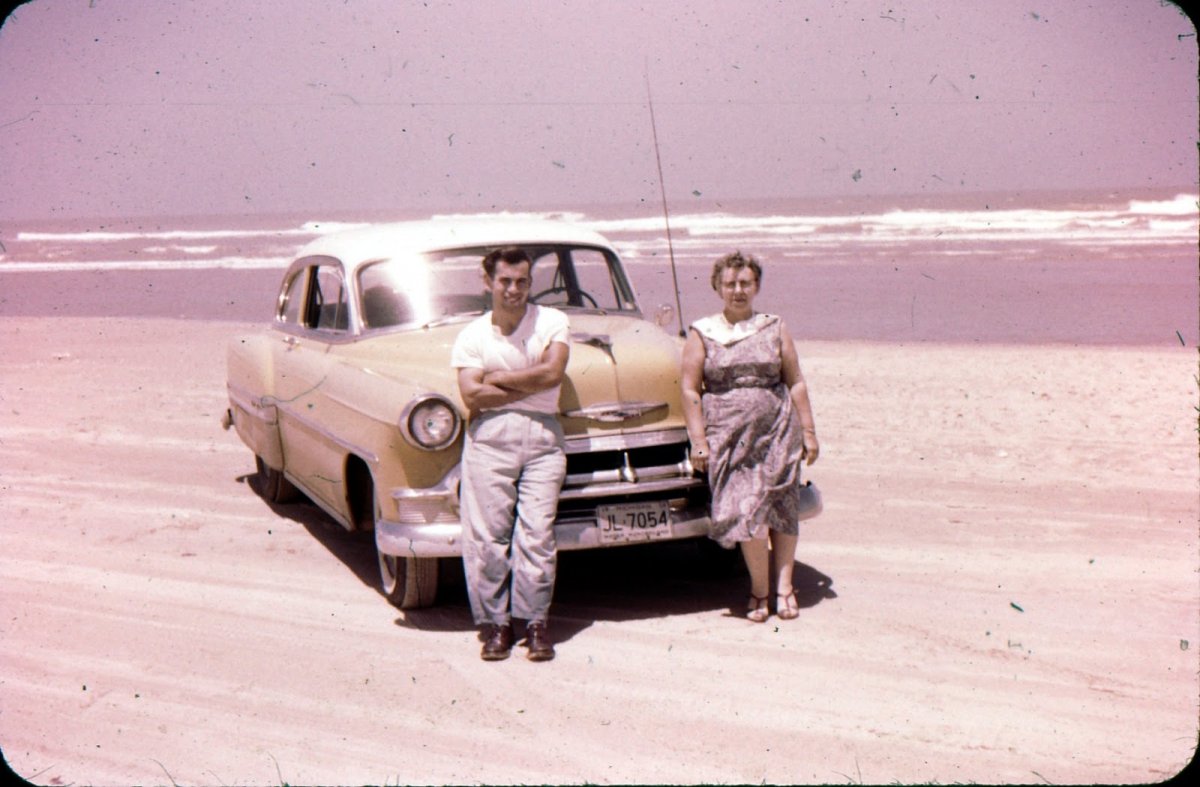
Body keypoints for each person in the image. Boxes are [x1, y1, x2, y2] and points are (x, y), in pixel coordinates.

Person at [680, 251, 820, 622]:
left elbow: (796, 381)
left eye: (745, 283)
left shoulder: (774, 327)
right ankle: (760, 587)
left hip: (776, 430)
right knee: (747, 511)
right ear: (717, 287)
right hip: (728, 436)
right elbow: (690, 390)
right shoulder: (702, 332)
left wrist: (808, 432)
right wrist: (698, 440)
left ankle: (784, 588)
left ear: (756, 286)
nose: (738, 290)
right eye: (730, 283)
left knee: (782, 507)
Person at [451, 247, 571, 661]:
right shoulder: (472, 335)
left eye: (522, 281)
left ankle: (535, 623)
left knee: (537, 534)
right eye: (505, 281)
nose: (514, 289)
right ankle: (495, 625)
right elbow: (471, 393)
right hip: (490, 439)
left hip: (543, 439)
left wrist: (499, 379)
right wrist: (529, 381)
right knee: (488, 537)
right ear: (488, 283)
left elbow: (553, 372)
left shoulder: (552, 321)